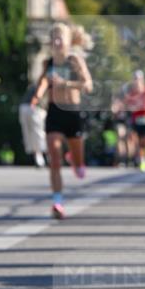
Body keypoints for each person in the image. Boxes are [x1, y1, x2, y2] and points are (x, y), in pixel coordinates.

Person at [30, 22, 92, 219]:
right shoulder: (48, 63)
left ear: (68, 41)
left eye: (60, 37)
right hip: (54, 112)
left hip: (72, 113)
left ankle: (76, 161)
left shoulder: (74, 60)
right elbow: (43, 82)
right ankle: (57, 202)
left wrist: (65, 84)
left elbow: (88, 85)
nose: (56, 41)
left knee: (80, 167)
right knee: (54, 158)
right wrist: (37, 96)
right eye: (53, 38)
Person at [124, 70, 145, 172]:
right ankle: (143, 161)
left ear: (143, 80)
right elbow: (128, 105)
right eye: (135, 79)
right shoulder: (131, 93)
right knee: (138, 142)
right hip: (136, 120)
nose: (137, 81)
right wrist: (132, 107)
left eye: (139, 79)